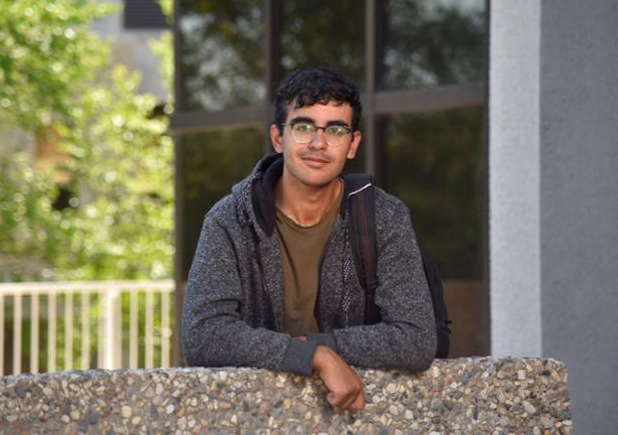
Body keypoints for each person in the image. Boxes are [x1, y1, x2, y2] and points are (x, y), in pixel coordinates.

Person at [182, 67, 436, 412]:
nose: (318, 143)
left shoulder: (382, 217)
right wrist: (313, 356)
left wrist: (324, 345)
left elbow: (415, 338)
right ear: (277, 137)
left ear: (352, 144)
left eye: (335, 129)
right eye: (303, 127)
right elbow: (203, 336)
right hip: (255, 417)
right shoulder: (231, 218)